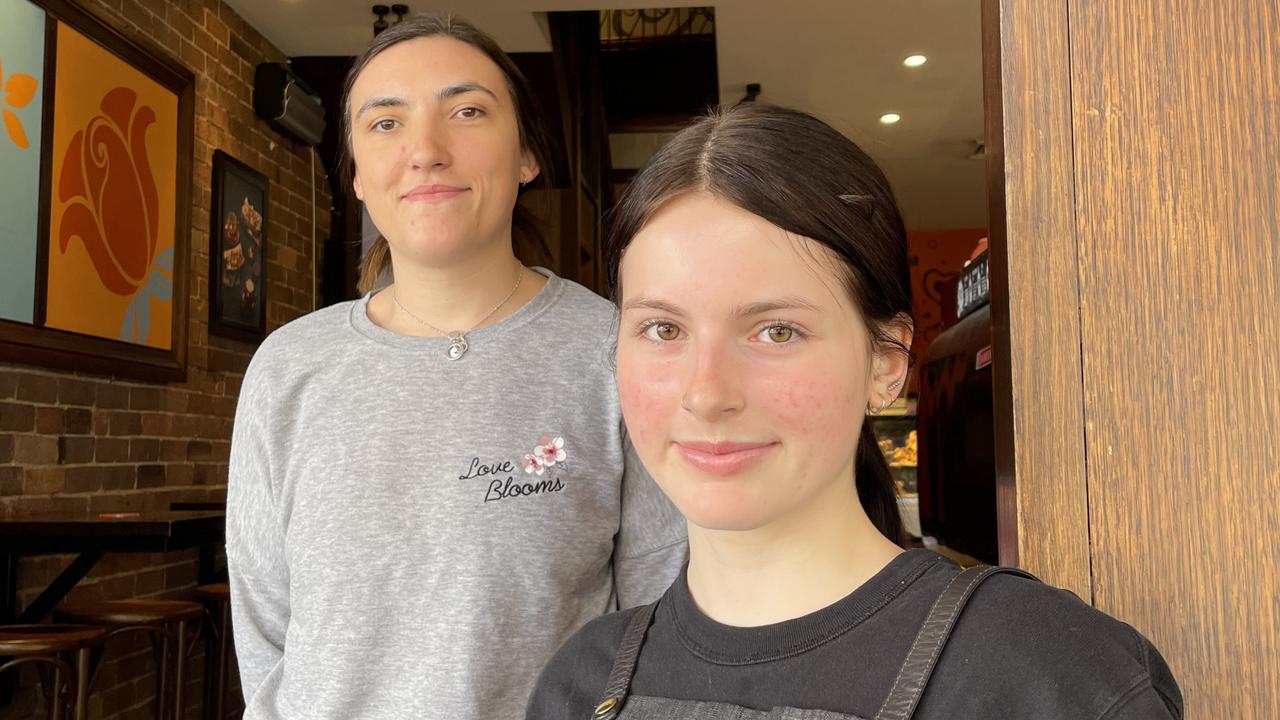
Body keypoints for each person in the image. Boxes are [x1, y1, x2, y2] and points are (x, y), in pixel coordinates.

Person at [526, 104, 1182, 720]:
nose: (705, 392)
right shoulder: (583, 680)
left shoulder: (1049, 674)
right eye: (664, 330)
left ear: (886, 363)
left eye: (776, 331)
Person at [226, 15, 686, 720]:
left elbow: (656, 614)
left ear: (528, 153)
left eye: (466, 111)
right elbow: (263, 625)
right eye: (385, 123)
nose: (425, 151)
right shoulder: (289, 368)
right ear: (353, 173)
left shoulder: (614, 352)